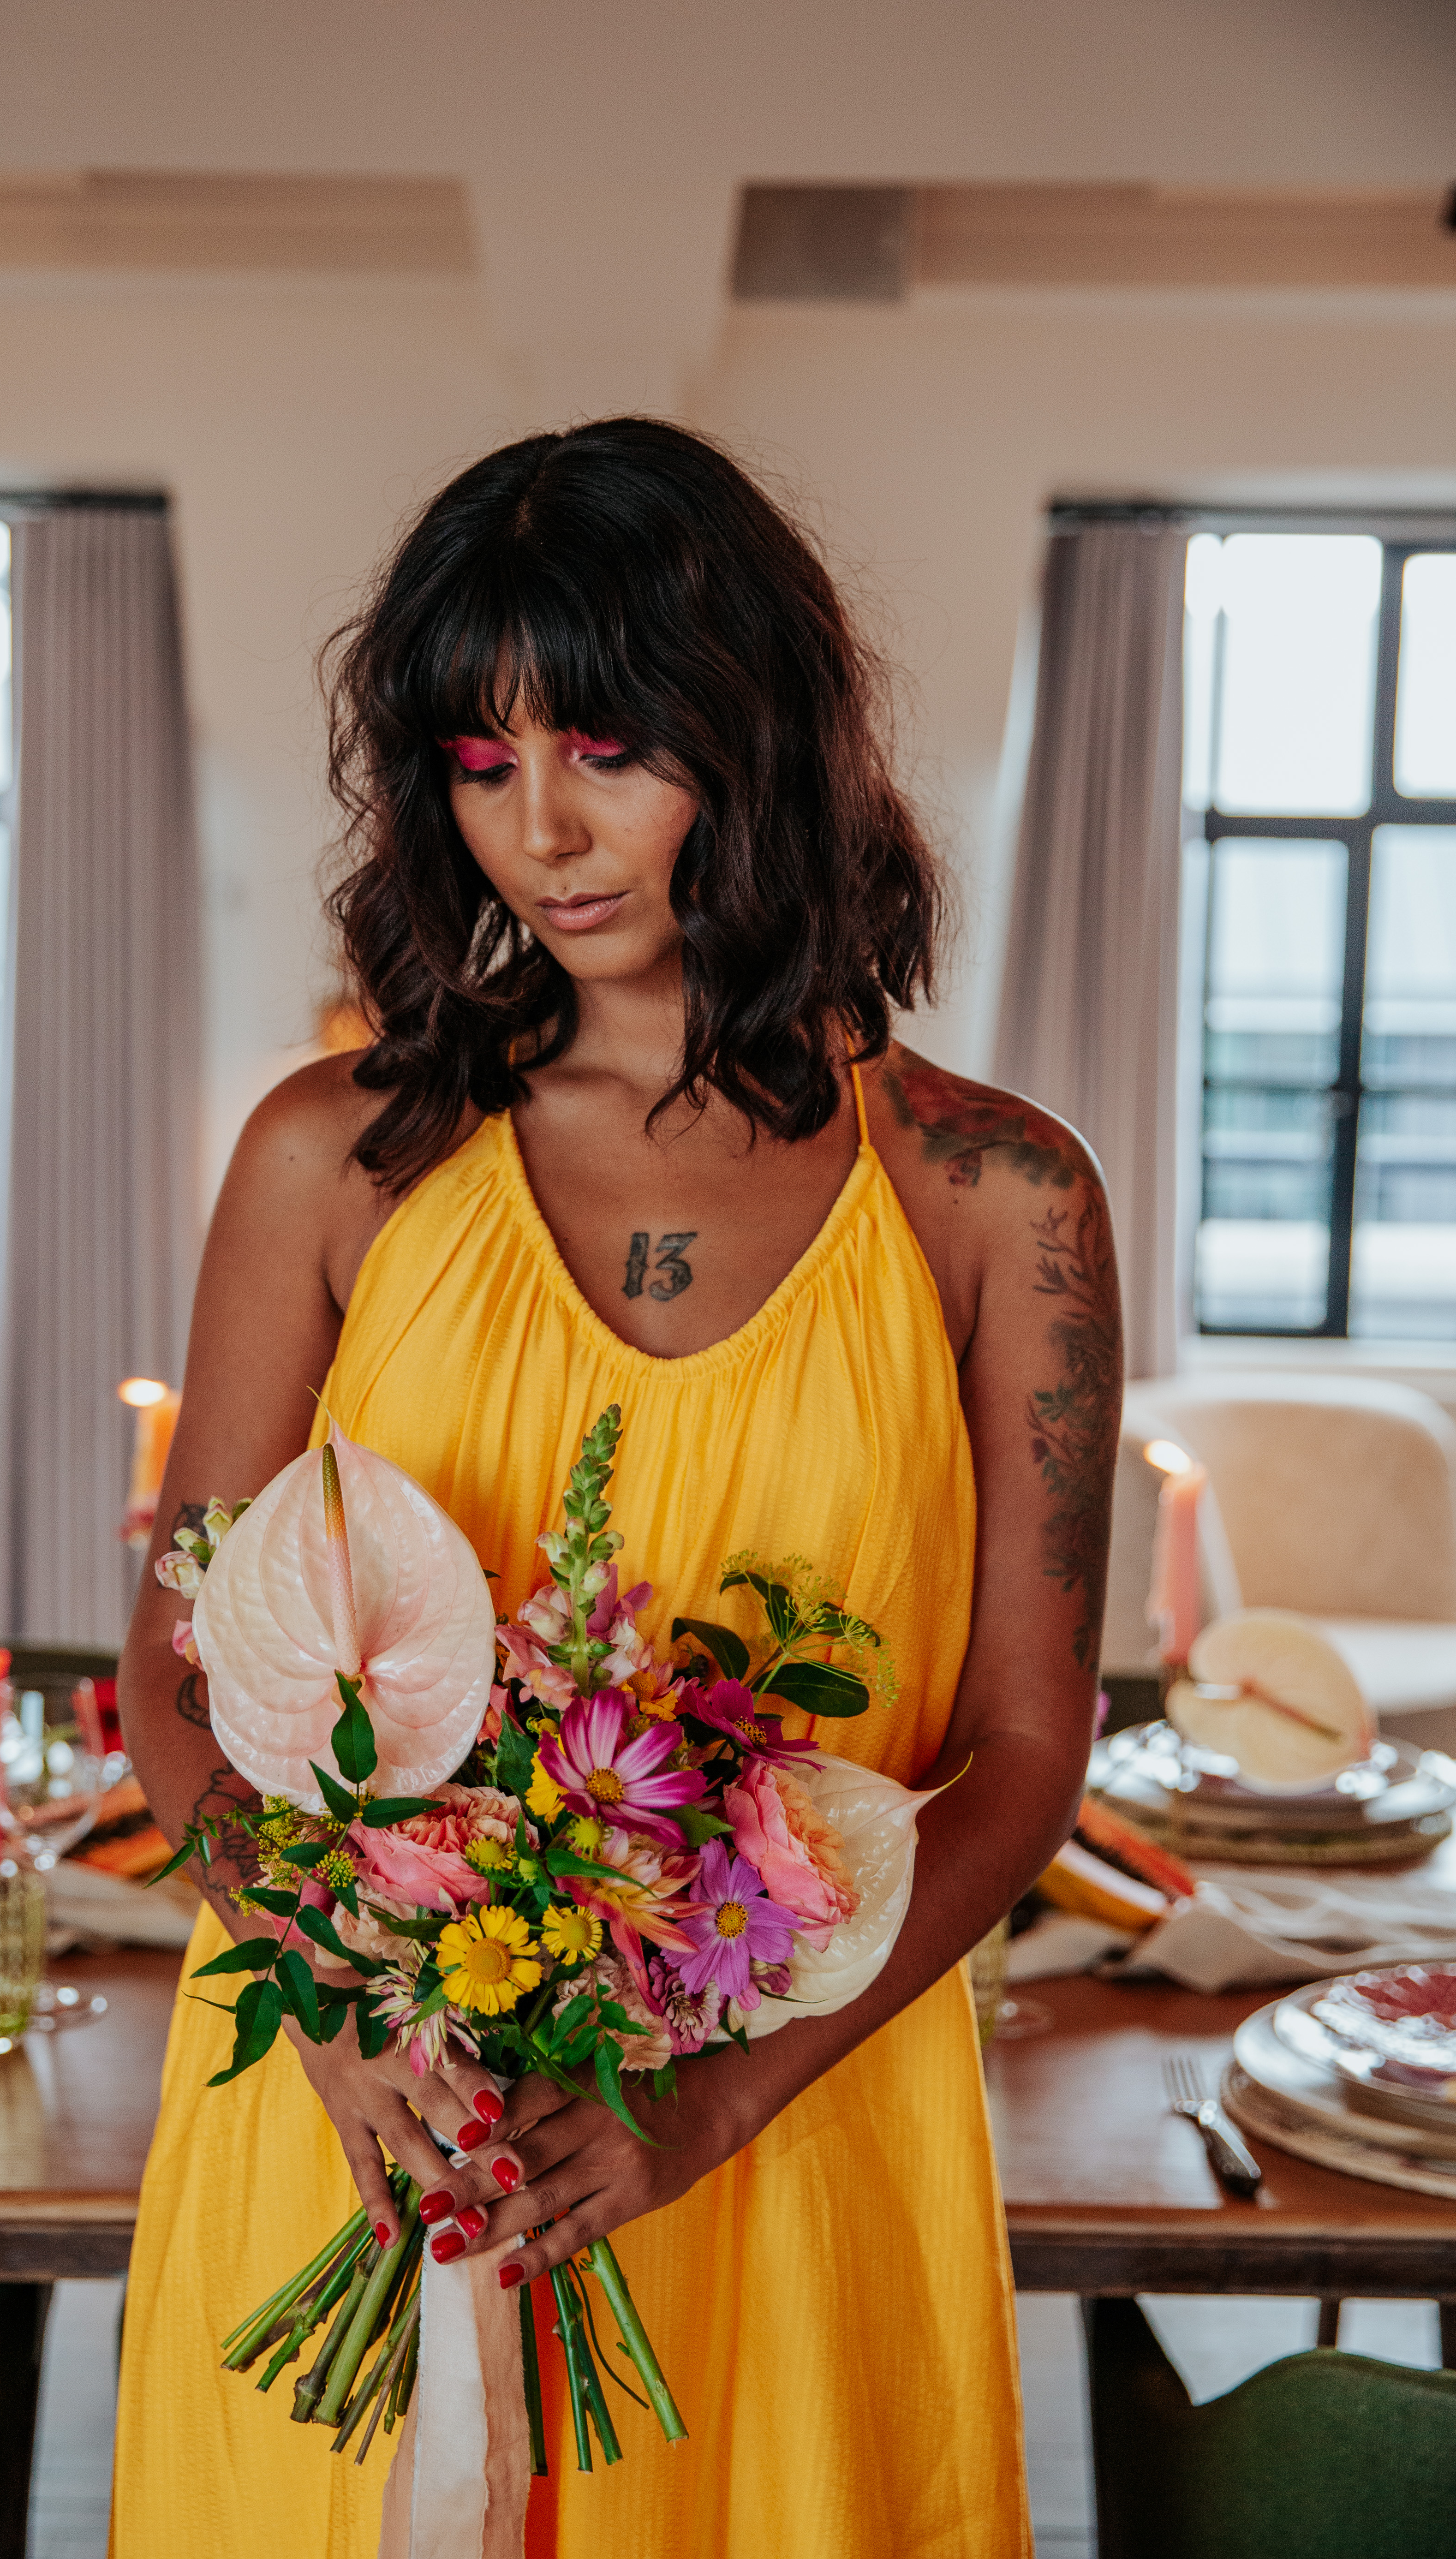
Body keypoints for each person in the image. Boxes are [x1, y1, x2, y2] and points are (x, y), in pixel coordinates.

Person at [111, 418, 1121, 2559]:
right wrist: (339, 2002)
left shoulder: (994, 1196)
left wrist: (708, 2093)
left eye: (604, 745)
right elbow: (170, 1674)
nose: (545, 830)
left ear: (750, 738)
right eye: (478, 767)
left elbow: (1026, 1752)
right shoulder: (335, 1155)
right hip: (370, 2119)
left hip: (785, 2133)